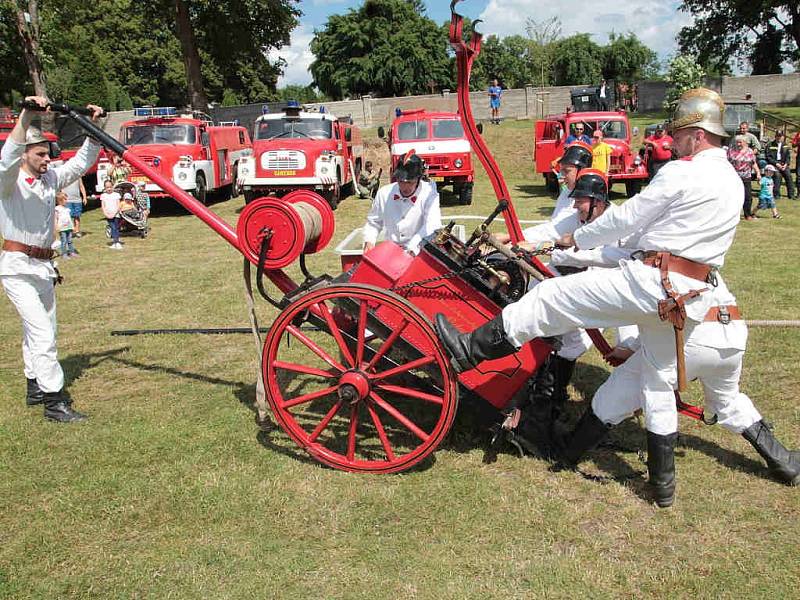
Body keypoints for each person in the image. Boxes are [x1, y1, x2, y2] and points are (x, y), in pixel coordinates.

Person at [434, 87, 744, 508]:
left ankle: (471, 349)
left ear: (697, 135)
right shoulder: (732, 180)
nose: (674, 142)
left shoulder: (683, 172)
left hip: (654, 283)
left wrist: (574, 239)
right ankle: (663, 488)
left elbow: (627, 218)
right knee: (654, 383)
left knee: (551, 297)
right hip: (691, 295)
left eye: (680, 135)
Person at [549, 245, 799, 492]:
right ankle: (783, 462)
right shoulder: (700, 256)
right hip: (731, 336)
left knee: (644, 392)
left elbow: (651, 310)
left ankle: (659, 485)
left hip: (688, 338)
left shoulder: (656, 263)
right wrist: (632, 347)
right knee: (728, 401)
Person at [0, 95, 103, 422]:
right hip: (16, 269)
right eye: (41, 154)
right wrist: (27, 115)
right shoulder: (9, 181)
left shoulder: (48, 179)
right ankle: (54, 402)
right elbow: (8, 156)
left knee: (44, 330)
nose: (48, 159)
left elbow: (79, 165)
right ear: (26, 154)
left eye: (49, 154)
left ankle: (34, 385)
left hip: (43, 267)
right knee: (42, 332)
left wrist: (94, 127)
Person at [362, 151, 441, 255]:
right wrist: (369, 240)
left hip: (420, 252)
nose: (405, 187)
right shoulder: (384, 193)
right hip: (390, 253)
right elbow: (374, 222)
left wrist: (413, 247)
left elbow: (432, 226)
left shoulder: (429, 194)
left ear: (418, 179)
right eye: (401, 181)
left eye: (409, 182)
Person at [727, 135, 760, 221]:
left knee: (748, 196)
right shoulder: (731, 151)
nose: (738, 144)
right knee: (733, 196)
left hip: (746, 177)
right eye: (737, 142)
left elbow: (754, 163)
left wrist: (758, 173)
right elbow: (727, 163)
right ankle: (732, 215)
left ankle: (747, 215)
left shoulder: (750, 151)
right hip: (734, 176)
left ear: (745, 143)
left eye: (740, 142)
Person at [765, 131, 795, 200]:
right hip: (774, 164)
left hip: (783, 164)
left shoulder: (785, 145)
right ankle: (776, 195)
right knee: (777, 175)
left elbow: (788, 157)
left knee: (789, 176)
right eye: (777, 136)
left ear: (783, 137)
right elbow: (768, 157)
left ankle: (791, 195)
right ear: (775, 136)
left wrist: (786, 164)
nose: (779, 137)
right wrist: (776, 164)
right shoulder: (770, 145)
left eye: (780, 136)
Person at [100, 179, 123, 249]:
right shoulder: (103, 196)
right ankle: (114, 241)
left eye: (110, 187)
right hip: (108, 215)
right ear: (105, 188)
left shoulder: (116, 195)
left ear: (113, 187)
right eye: (107, 187)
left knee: (115, 228)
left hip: (116, 215)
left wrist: (114, 213)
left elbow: (118, 205)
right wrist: (106, 214)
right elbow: (103, 206)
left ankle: (117, 242)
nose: (109, 189)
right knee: (112, 228)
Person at [54, 191, 77, 259]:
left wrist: (73, 226)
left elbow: (69, 219)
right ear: (60, 200)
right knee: (63, 241)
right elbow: (55, 218)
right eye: (65, 199)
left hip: (68, 227)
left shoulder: (67, 209)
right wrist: (56, 226)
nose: (67, 201)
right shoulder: (57, 209)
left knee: (70, 240)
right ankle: (64, 254)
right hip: (62, 228)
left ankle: (72, 252)